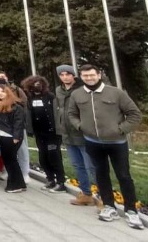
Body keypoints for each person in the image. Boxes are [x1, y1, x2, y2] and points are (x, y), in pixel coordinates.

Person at [68, 64, 143, 229]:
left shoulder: (116, 93)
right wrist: (80, 126)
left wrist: (120, 130)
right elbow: (72, 114)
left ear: (99, 75)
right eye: (85, 76)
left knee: (124, 176)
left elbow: (135, 114)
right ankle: (109, 206)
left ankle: (131, 210)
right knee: (101, 175)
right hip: (93, 142)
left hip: (116, 143)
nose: (89, 78)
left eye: (92, 75)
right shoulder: (77, 94)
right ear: (81, 77)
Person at [55, 65, 97, 206]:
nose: (65, 77)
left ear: (73, 75)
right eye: (62, 74)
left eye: (68, 74)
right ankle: (86, 194)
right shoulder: (59, 90)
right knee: (78, 166)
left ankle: (104, 196)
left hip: (83, 133)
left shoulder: (82, 89)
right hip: (67, 134)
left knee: (92, 167)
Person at [22, 75, 66, 193]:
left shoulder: (50, 96)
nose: (37, 85)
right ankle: (50, 179)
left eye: (39, 83)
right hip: (39, 133)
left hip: (52, 133)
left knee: (54, 156)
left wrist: (59, 130)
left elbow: (57, 114)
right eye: (34, 83)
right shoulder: (30, 98)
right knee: (43, 157)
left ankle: (61, 182)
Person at [0, 85, 27, 194]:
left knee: (11, 161)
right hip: (1, 136)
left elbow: (19, 123)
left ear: (8, 93)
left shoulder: (16, 107)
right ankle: (20, 183)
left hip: (10, 137)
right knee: (9, 160)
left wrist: (16, 137)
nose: (0, 93)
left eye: (3, 91)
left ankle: (15, 185)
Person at [0, 70, 30, 182]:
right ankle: (7, 171)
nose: (1, 78)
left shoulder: (16, 90)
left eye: (2, 76)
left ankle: (24, 173)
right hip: (2, 129)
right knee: (5, 152)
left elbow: (24, 104)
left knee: (22, 151)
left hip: (16, 127)